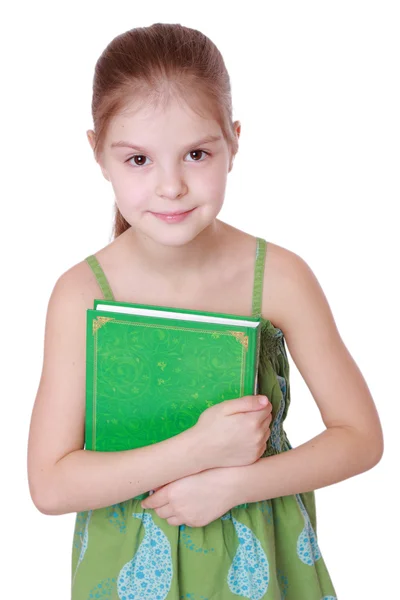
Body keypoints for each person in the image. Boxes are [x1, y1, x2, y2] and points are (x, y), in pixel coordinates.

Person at [27, 22, 384, 600]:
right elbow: (49, 483)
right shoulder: (82, 294)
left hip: (263, 561)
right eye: (139, 159)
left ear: (234, 141)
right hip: (123, 574)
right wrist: (196, 451)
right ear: (97, 153)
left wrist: (236, 485)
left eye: (196, 154)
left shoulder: (280, 278)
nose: (171, 186)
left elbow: (360, 437)